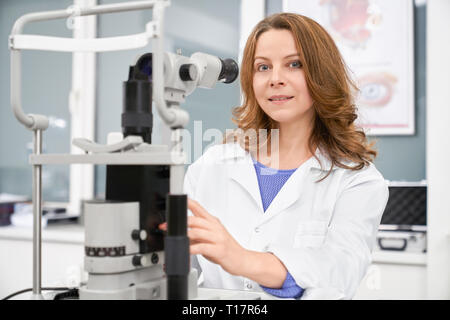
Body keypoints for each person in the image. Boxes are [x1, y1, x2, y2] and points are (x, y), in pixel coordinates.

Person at [160, 13, 389, 300]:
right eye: (263, 67)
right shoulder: (212, 165)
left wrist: (241, 259)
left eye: (294, 64)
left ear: (321, 73)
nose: (275, 79)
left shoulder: (358, 181)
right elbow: (175, 269)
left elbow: (338, 271)